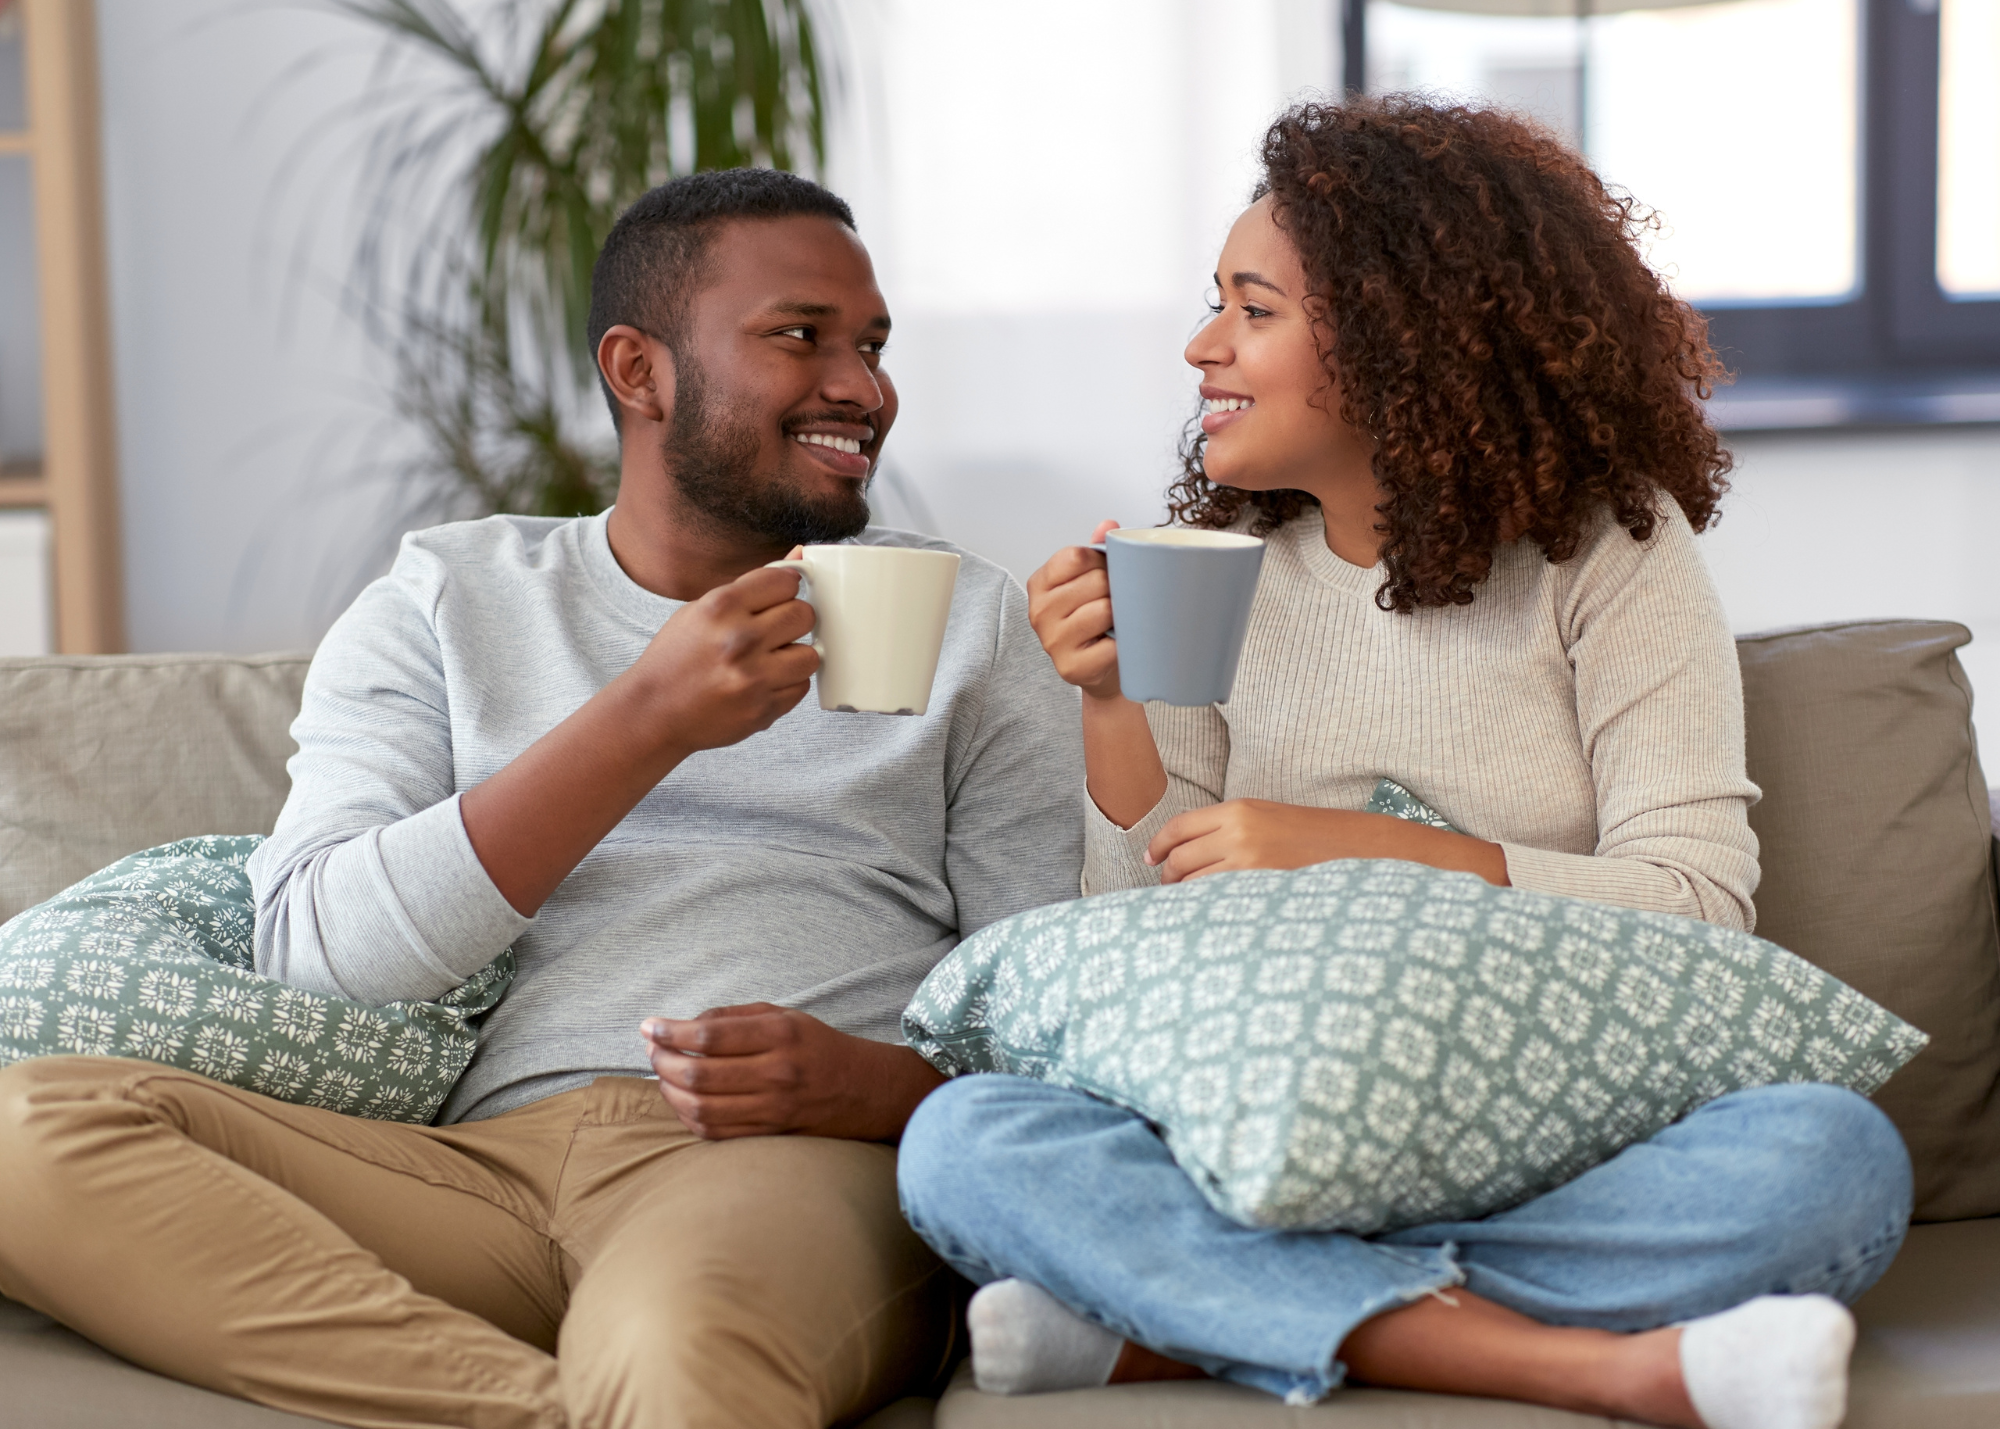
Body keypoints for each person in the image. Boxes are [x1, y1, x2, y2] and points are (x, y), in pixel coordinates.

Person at [0, 169, 1082, 1429]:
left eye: (873, 345)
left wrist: (868, 1086)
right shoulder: (445, 598)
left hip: (778, 1164)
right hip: (468, 1169)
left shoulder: (969, 622)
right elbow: (319, 956)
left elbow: (1046, 1024)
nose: (862, 386)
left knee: (676, 1353)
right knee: (21, 1132)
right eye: (801, 336)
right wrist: (645, 719)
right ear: (640, 370)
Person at [895, 98, 1912, 1429]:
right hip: (1260, 1133)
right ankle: (1579, 1364)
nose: (1202, 348)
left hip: (1561, 1140)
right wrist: (1107, 700)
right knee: (966, 1143)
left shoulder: (1612, 553)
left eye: (1251, 310)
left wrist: (1366, 846)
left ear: (1399, 341)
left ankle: (1199, 1320)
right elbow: (1139, 940)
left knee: (1834, 1160)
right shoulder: (1212, 578)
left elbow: (1698, 902)